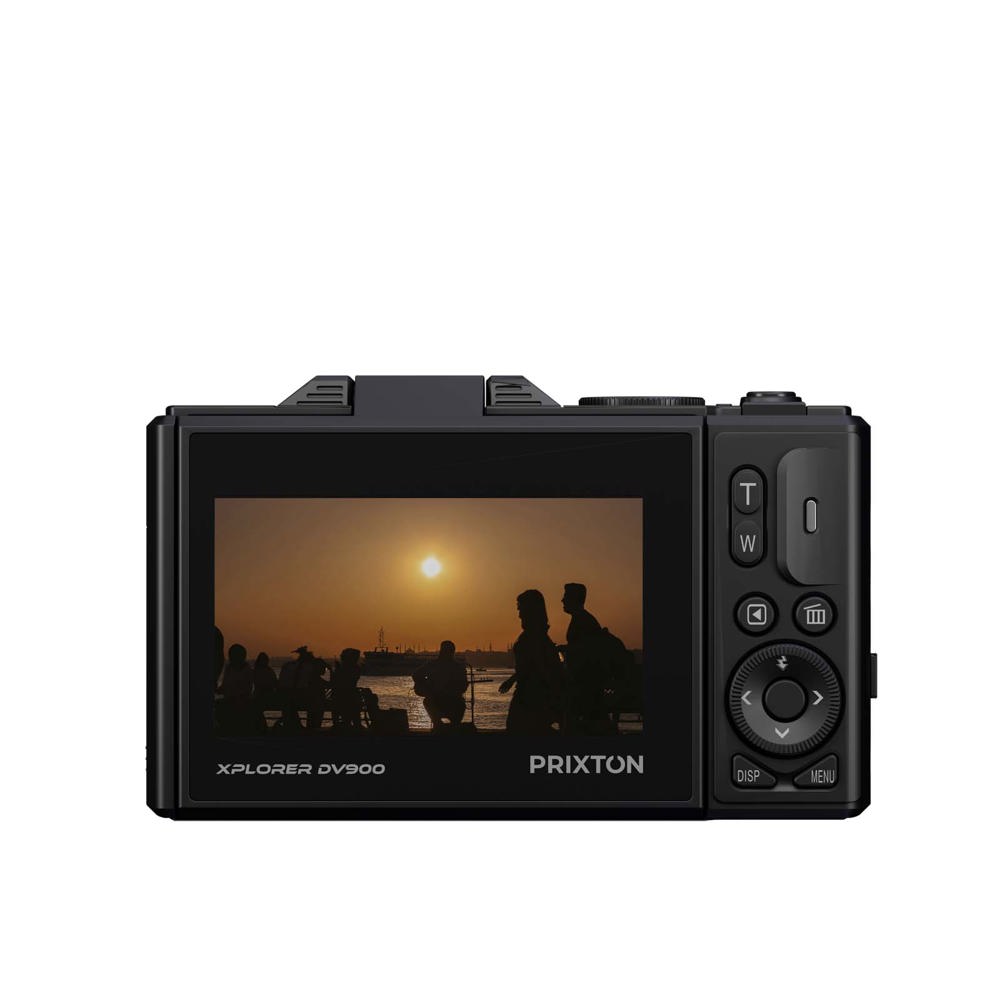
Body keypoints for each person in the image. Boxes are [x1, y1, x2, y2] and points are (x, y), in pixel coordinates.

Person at [499, 590, 562, 734]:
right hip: (531, 690)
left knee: (519, 727)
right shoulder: (538, 635)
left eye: (520, 609)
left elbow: (533, 665)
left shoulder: (533, 636)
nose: (519, 614)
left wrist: (513, 680)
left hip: (531, 692)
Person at [412, 640, 469, 730]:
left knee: (460, 705)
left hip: (453, 700)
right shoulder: (433, 665)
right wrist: (427, 686)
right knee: (428, 701)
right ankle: (439, 725)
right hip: (436, 700)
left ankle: (451, 726)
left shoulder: (457, 667)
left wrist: (450, 690)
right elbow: (416, 675)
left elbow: (463, 687)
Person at [219, 643, 255, 735]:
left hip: (243, 700)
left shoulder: (247, 670)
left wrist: (236, 696)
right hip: (229, 699)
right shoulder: (229, 668)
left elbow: (247, 688)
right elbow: (224, 685)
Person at [330, 648, 362, 727]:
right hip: (349, 696)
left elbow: (335, 682)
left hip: (344, 696)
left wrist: (334, 671)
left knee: (339, 704)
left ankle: (341, 725)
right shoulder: (355, 668)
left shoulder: (348, 668)